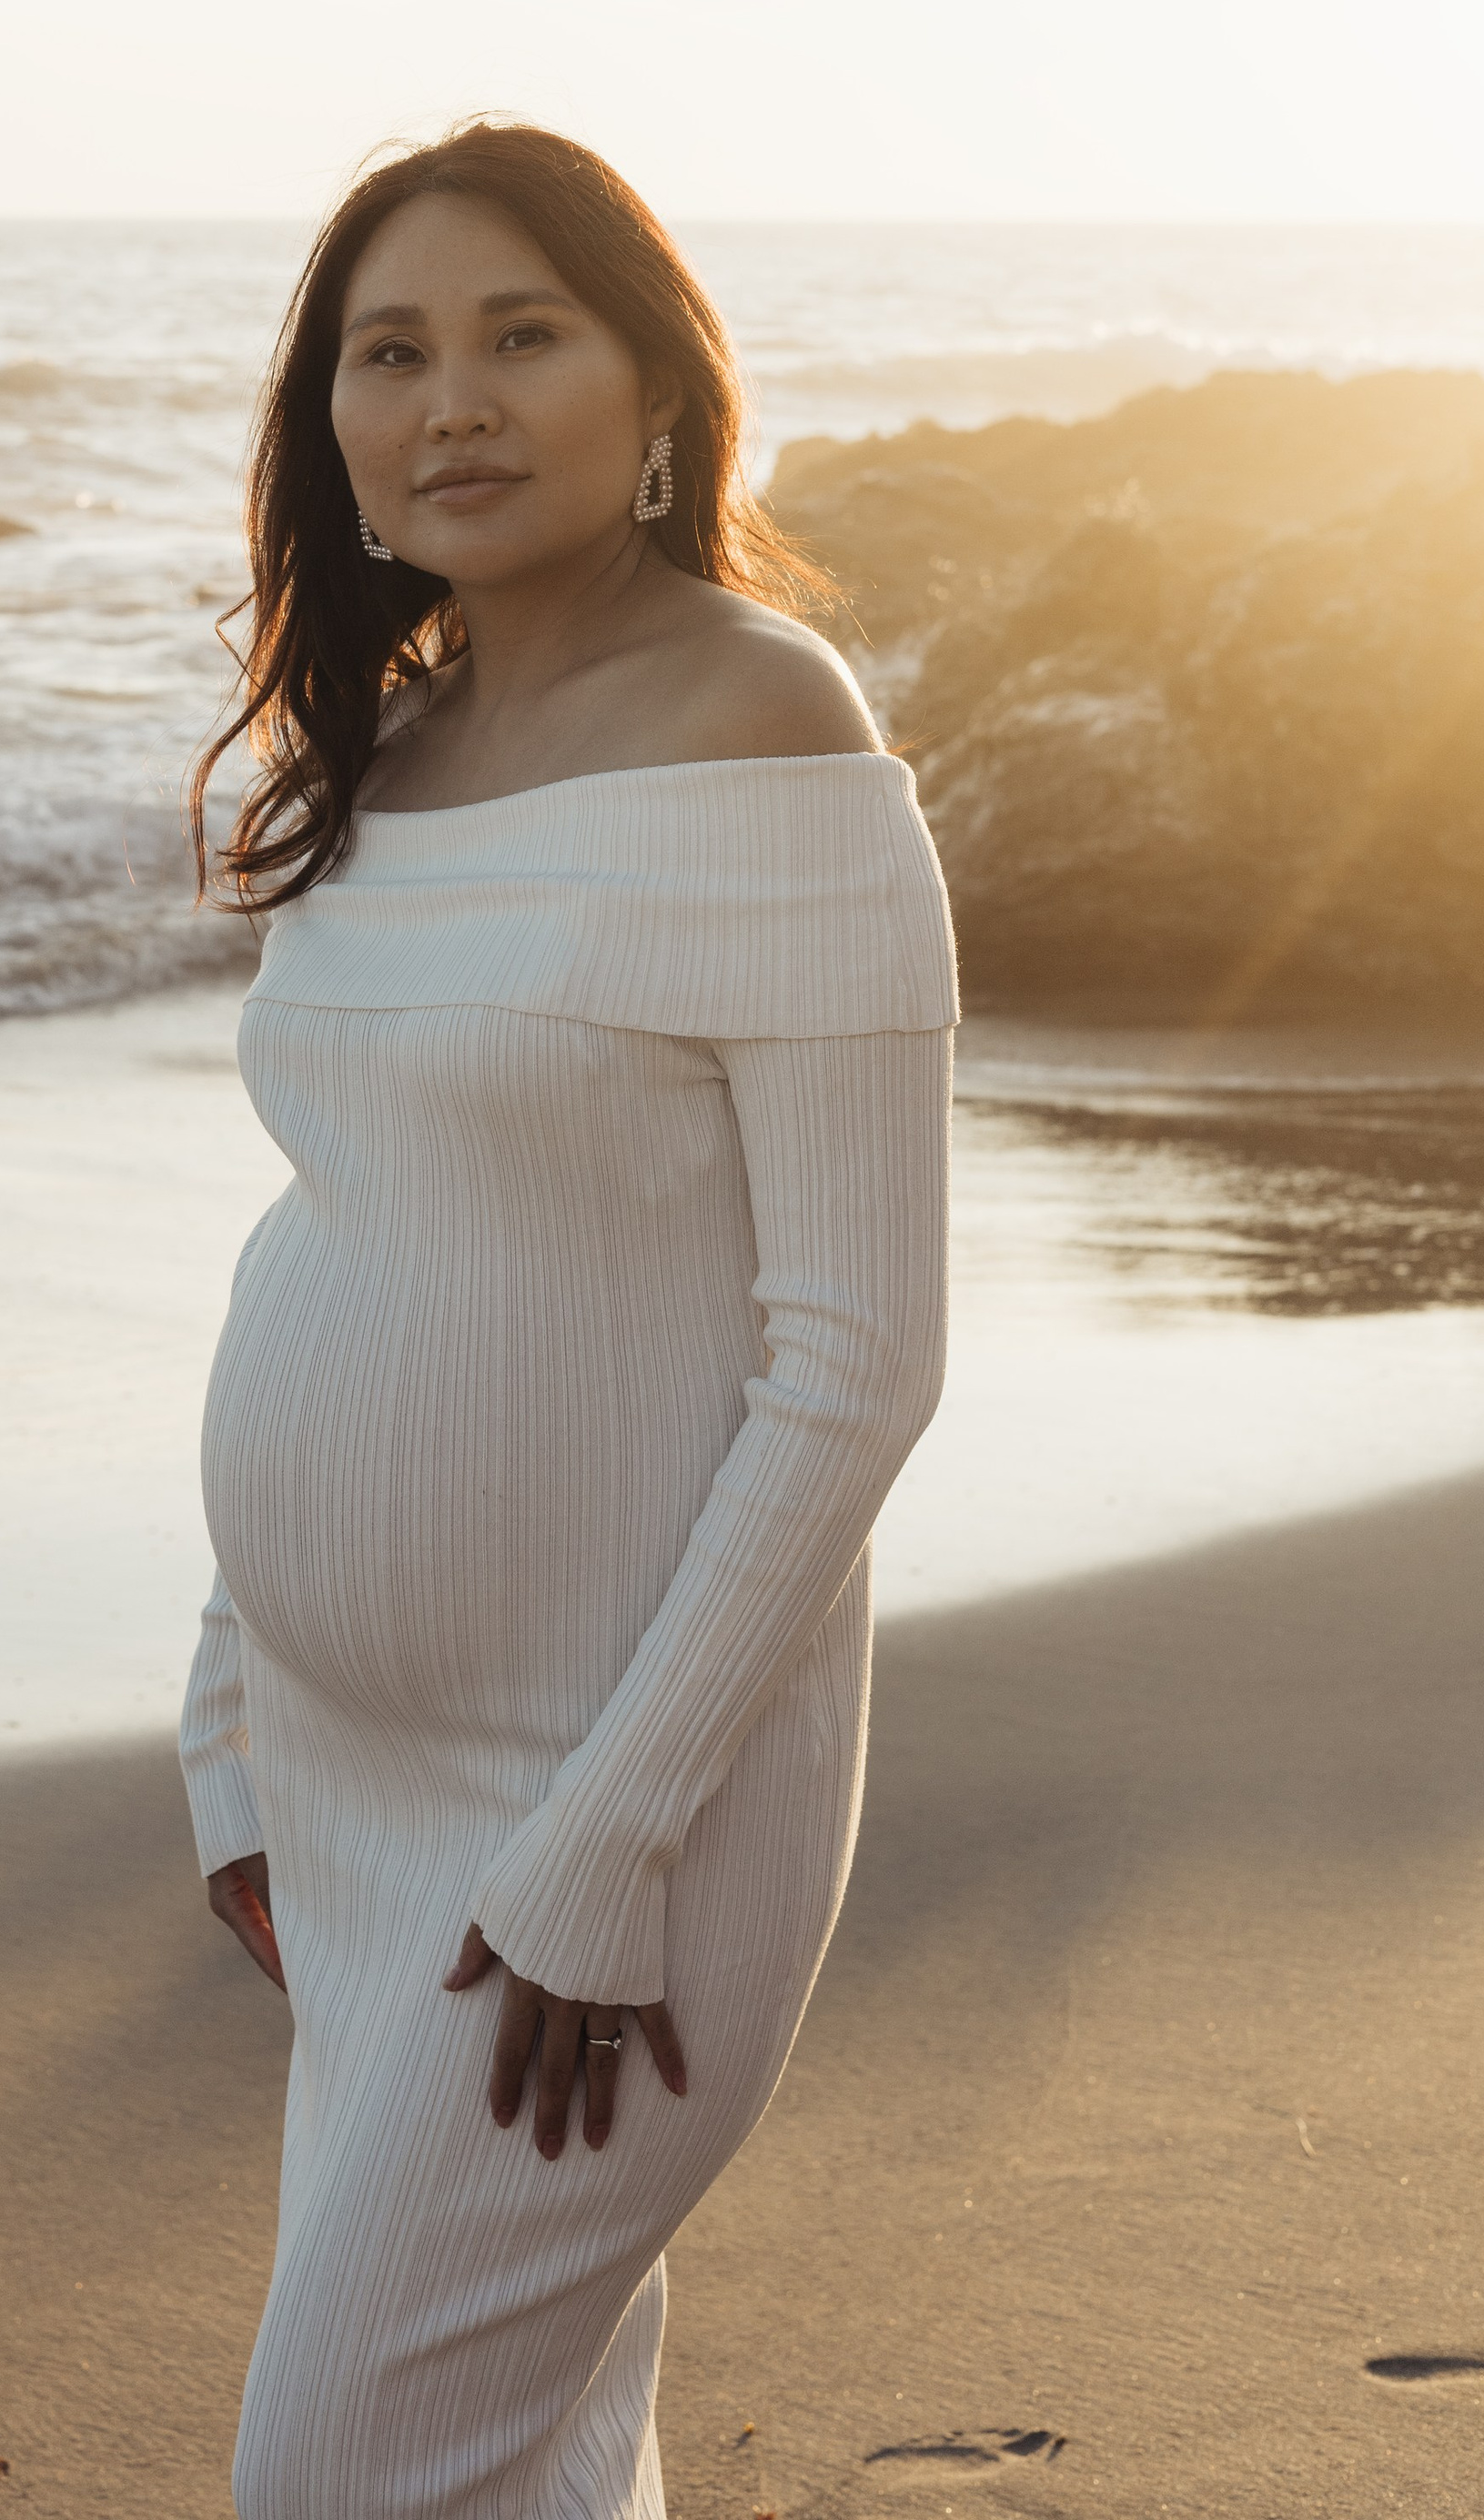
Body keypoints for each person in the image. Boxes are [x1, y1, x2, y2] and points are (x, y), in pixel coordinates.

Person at [180, 122, 956, 2520]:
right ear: (329, 420)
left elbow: (860, 1360)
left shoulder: (769, 721)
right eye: (389, 350)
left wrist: (607, 1841)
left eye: (525, 330)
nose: (455, 399)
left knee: (336, 2476)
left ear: (654, 381)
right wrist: (231, 1711)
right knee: (520, 2459)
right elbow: (344, 1224)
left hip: (617, 1803)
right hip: (345, 1780)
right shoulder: (384, 746)